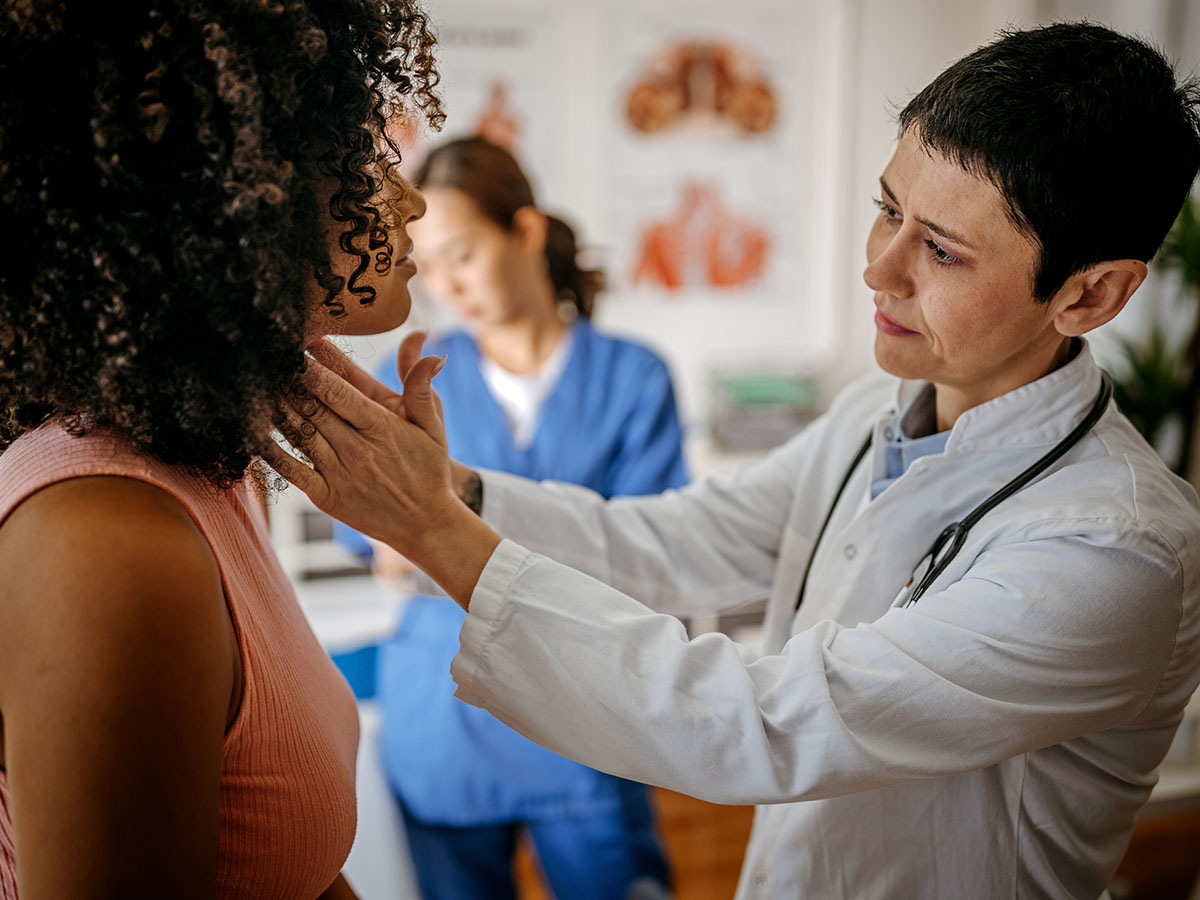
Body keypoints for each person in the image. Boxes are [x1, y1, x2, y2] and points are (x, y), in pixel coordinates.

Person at [271, 22, 1200, 900]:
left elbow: (769, 722)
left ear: (1091, 295)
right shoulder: (870, 417)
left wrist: (436, 531)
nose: (880, 269)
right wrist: (456, 491)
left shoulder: (1116, 553)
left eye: (944, 253)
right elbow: (670, 541)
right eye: (887, 210)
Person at [0, 3, 438, 898]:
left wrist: (433, 511)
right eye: (365, 158)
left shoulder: (210, 468)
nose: (411, 198)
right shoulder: (107, 541)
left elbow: (287, 866)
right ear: (239, 199)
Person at [336, 137, 685, 900]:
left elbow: (652, 556)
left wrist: (440, 541)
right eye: (430, 264)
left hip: (586, 714)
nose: (448, 283)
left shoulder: (632, 377)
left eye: (464, 252)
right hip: (444, 716)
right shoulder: (412, 376)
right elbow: (372, 540)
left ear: (524, 233)